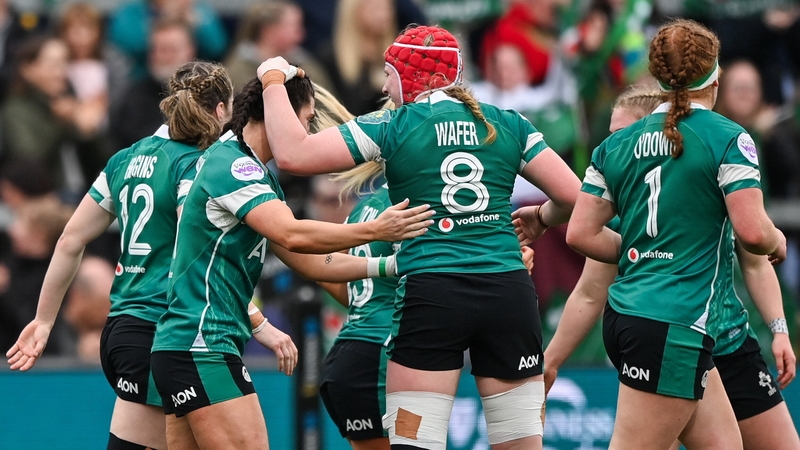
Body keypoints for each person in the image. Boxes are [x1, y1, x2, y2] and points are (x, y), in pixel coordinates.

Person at [259, 24, 581, 450]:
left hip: (432, 294)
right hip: (508, 292)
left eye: (389, 75)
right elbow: (574, 197)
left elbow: (292, 154)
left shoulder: (395, 124)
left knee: (415, 442)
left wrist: (271, 78)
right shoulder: (507, 122)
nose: (384, 86)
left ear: (415, 77)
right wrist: (541, 217)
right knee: (520, 444)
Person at [149, 74, 434, 450]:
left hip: (183, 346)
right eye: (305, 118)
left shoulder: (249, 171)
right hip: (203, 346)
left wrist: (388, 267)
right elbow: (294, 235)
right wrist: (378, 231)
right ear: (275, 113)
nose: (305, 131)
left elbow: (311, 262)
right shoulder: (235, 166)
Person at [562, 19, 786, 449]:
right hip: (674, 323)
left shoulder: (618, 143)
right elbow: (753, 234)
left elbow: (580, 234)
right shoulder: (728, 137)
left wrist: (641, 253)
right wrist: (777, 239)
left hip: (633, 315)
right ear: (715, 76)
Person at [5, 60, 249, 450]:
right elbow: (196, 257)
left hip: (120, 329)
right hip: (162, 330)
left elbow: (69, 239)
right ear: (222, 110)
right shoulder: (197, 166)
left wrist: (43, 320)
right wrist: (257, 319)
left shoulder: (127, 158)